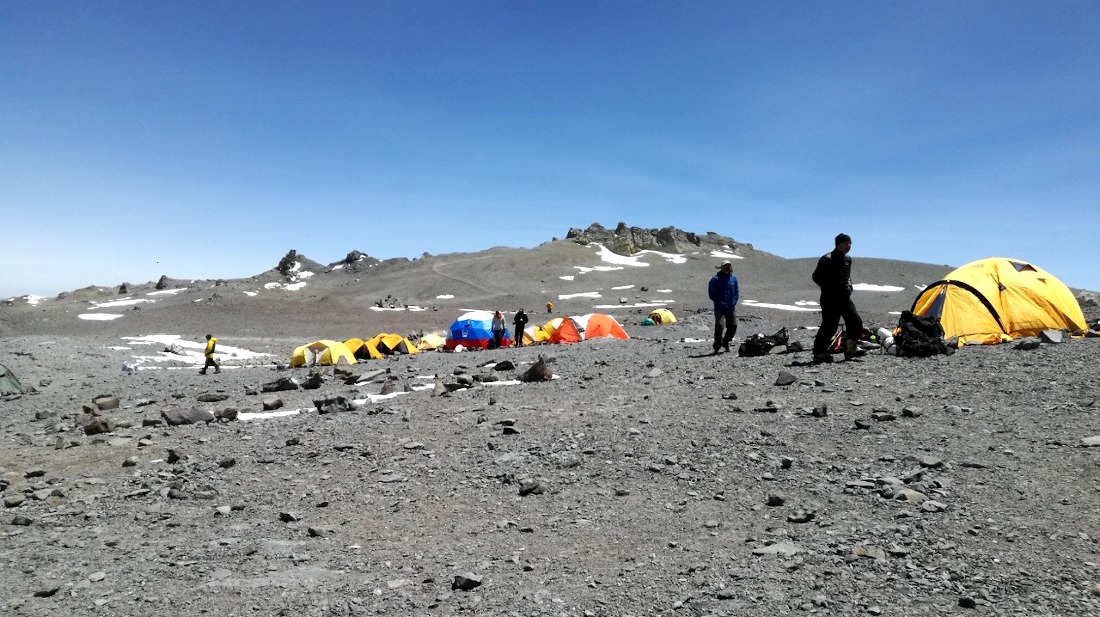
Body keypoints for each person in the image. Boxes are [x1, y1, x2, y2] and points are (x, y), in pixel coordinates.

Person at [812, 233, 865, 363]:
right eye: (845, 243)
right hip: (830, 299)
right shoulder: (826, 259)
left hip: (845, 298)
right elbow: (816, 277)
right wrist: (829, 289)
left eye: (849, 243)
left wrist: (849, 287)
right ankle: (819, 353)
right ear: (838, 244)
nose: (848, 246)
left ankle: (850, 348)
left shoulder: (848, 259)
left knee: (856, 322)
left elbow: (847, 276)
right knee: (830, 326)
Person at [708, 261, 740, 354]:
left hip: (731, 307)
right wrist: (719, 302)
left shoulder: (733, 279)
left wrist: (734, 301)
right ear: (721, 267)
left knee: (733, 326)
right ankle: (717, 346)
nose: (727, 267)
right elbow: (712, 293)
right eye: (725, 266)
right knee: (719, 326)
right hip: (719, 307)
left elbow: (736, 291)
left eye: (728, 266)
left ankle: (725, 342)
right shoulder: (715, 279)